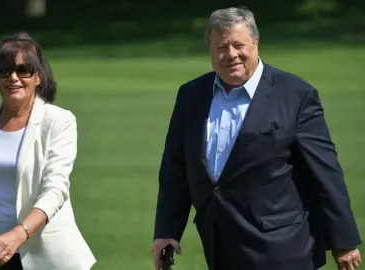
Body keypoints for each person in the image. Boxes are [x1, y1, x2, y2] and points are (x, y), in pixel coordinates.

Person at [152, 6, 362, 270]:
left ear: (256, 43)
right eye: (221, 47)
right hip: (219, 247)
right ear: (210, 51)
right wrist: (167, 230)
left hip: (283, 250)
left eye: (238, 45)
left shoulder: (296, 95)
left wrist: (343, 241)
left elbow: (325, 172)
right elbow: (176, 170)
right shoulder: (191, 95)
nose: (231, 54)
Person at [0, 32, 96, 270]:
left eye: (23, 70)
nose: (13, 78)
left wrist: (19, 234)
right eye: (4, 70)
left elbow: (56, 190)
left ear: (38, 77)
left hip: (36, 252)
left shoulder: (59, 121)